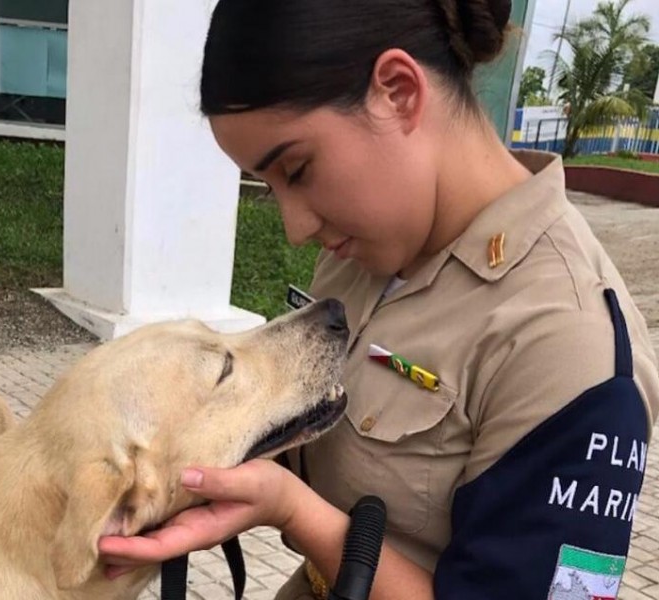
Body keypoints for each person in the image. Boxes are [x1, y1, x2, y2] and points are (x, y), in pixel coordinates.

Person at [98, 0, 659, 598]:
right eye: (269, 188)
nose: (294, 227)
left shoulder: (571, 346)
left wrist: (292, 512)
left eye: (298, 169)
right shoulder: (365, 255)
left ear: (398, 92)